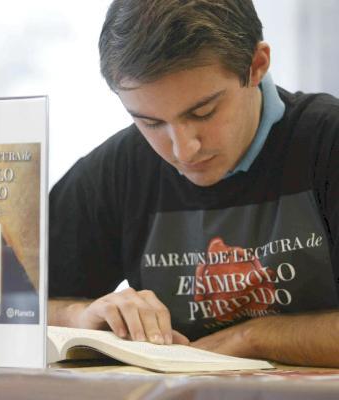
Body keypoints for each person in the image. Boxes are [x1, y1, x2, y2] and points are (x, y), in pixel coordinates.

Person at [49, 0, 339, 367]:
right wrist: (82, 316)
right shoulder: (118, 169)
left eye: (203, 112)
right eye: (151, 123)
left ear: (256, 65)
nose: (183, 150)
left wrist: (252, 338)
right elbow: (5, 310)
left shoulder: (328, 142)